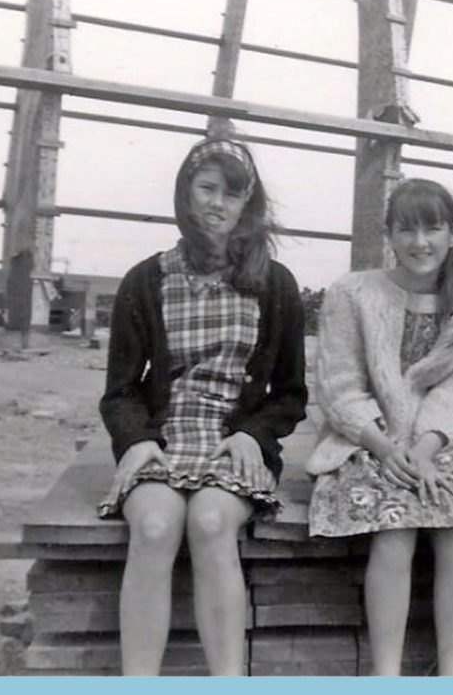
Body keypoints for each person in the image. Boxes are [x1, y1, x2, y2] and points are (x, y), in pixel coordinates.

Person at [97, 127, 307, 675]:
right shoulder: (146, 281)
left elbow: (290, 393)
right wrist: (135, 440)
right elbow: (120, 389)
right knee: (154, 526)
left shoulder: (275, 284)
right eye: (207, 188)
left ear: (248, 204)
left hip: (233, 444)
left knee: (213, 523)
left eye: (232, 194)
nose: (218, 204)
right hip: (164, 442)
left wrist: (253, 436)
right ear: (186, 192)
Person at [306, 179, 453, 676]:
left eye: (433, 228)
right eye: (406, 229)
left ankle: (452, 674)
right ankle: (386, 675)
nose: (420, 242)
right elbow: (338, 386)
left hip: (436, 445)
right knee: (395, 528)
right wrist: (383, 445)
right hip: (364, 441)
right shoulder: (353, 292)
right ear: (389, 234)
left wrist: (426, 450)